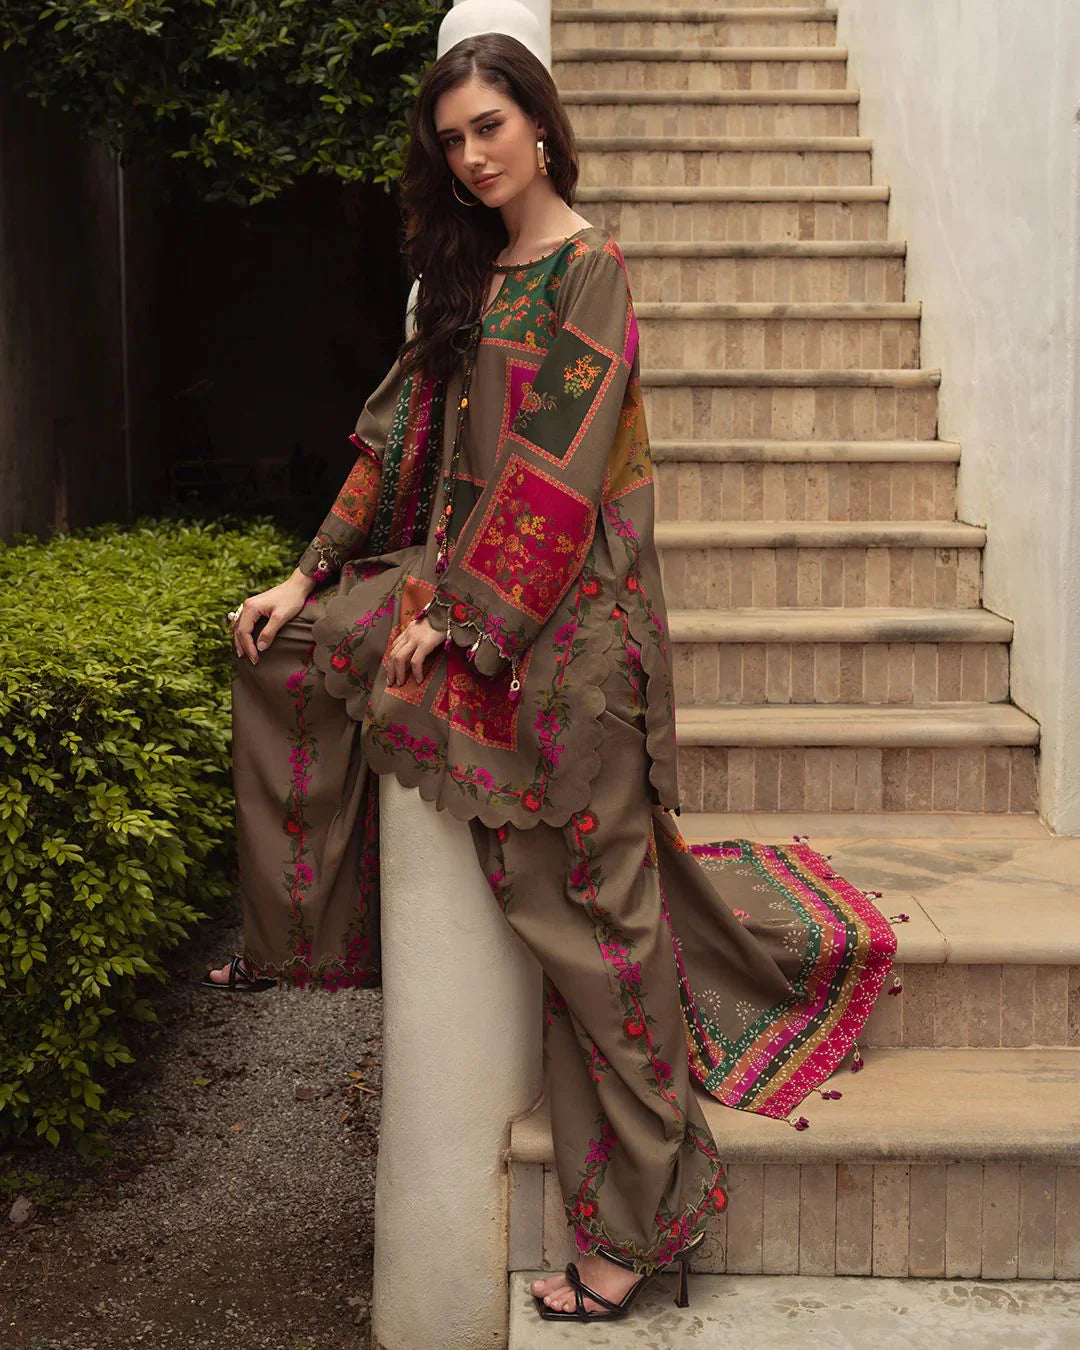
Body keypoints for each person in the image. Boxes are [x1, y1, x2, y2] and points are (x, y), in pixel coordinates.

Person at [203, 32, 899, 1325]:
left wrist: (464, 620)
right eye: (452, 140)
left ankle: (645, 1214)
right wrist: (308, 575)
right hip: (469, 596)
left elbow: (558, 474)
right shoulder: (466, 277)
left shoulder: (591, 273)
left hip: (575, 624)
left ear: (538, 121)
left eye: (489, 127)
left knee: (594, 920)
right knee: (288, 652)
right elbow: (395, 438)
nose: (473, 156)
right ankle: (311, 943)